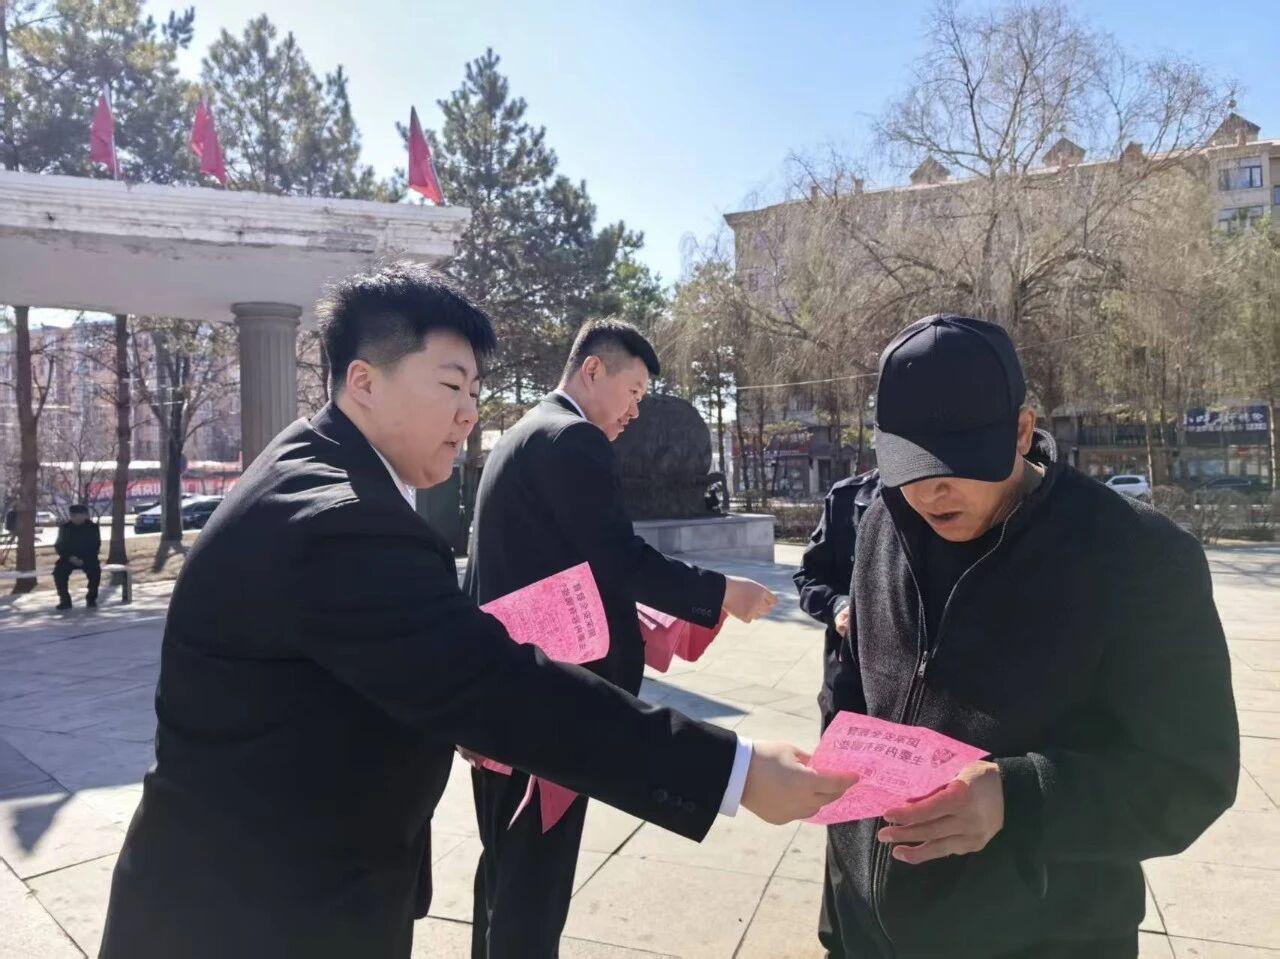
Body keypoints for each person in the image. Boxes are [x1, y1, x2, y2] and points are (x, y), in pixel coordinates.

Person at [99, 265, 852, 959]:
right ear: (364, 381)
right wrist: (735, 772)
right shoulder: (338, 517)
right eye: (450, 386)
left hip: (263, 891)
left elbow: (412, 650)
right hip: (255, 917)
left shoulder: (317, 470)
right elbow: (496, 682)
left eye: (475, 391)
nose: (468, 414)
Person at [821, 314, 1238, 959]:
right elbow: (853, 682)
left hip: (1045, 937)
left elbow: (1192, 776)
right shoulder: (884, 519)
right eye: (909, 463)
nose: (930, 491)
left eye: (956, 463)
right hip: (865, 929)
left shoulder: (1139, 557)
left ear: (1022, 431)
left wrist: (1018, 799)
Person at [464, 318, 779, 958]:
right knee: (533, 886)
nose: (635, 412)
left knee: (504, 867)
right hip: (546, 703)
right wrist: (722, 592)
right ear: (592, 370)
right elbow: (619, 559)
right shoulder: (573, 437)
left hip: (501, 688)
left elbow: (549, 567)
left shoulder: (524, 433)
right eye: (632, 392)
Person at [53, 504, 101, 610]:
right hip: (69, 558)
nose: (76, 518)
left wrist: (84, 559)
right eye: (73, 516)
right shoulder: (65, 528)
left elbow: (96, 545)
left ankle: (91, 599)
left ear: (85, 515)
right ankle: (65, 600)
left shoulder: (93, 527)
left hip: (88, 558)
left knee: (95, 571)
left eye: (79, 515)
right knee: (58, 572)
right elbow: (59, 546)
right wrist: (70, 557)